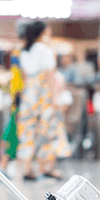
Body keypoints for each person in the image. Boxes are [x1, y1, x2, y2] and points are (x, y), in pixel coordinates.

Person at [16, 21, 71, 181]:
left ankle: (26, 168)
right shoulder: (46, 50)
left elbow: (24, 76)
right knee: (48, 129)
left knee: (27, 130)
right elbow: (49, 75)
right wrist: (54, 97)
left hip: (29, 94)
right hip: (43, 94)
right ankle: (46, 167)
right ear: (42, 32)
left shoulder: (24, 51)